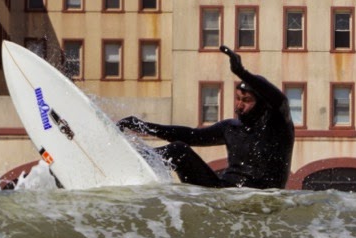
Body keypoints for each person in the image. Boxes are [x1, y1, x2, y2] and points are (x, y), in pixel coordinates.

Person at [118, 46, 295, 188]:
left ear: (263, 104)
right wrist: (143, 126)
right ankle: (132, 161)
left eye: (246, 100)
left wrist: (241, 72)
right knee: (178, 150)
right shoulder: (231, 128)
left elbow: (280, 100)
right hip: (224, 192)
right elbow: (191, 136)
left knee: (178, 149)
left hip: (259, 197)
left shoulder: (277, 127)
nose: (239, 105)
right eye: (238, 98)